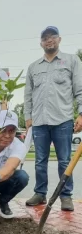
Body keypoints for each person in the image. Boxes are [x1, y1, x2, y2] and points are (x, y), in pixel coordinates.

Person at [24, 26, 82, 211]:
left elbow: (79, 90)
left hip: (63, 120)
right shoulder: (33, 67)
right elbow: (28, 95)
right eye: (45, 38)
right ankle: (40, 193)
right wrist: (28, 118)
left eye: (52, 36)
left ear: (59, 39)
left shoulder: (71, 61)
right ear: (41, 43)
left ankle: (66, 196)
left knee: (64, 160)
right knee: (40, 160)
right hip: (39, 121)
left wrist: (81, 114)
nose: (49, 40)